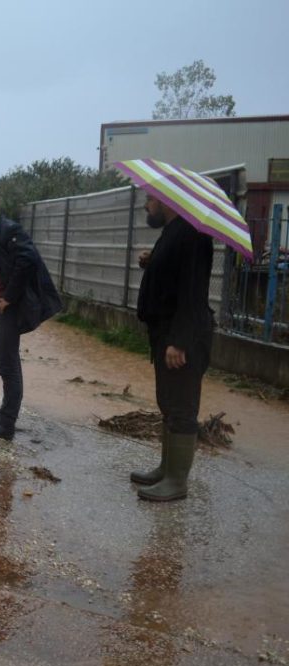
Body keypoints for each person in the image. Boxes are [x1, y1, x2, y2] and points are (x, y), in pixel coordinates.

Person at [132, 193, 214, 502]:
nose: (145, 206)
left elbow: (193, 292)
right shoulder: (173, 231)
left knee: (181, 406)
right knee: (168, 402)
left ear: (167, 201)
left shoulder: (192, 233)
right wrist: (151, 263)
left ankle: (177, 482)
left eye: (149, 200)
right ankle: (166, 469)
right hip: (166, 334)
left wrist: (179, 341)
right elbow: (173, 275)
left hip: (183, 338)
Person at [0, 191, 61, 440]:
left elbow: (28, 260)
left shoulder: (10, 230)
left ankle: (6, 424)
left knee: (8, 365)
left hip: (4, 309)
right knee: (4, 362)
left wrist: (9, 297)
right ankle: (4, 413)